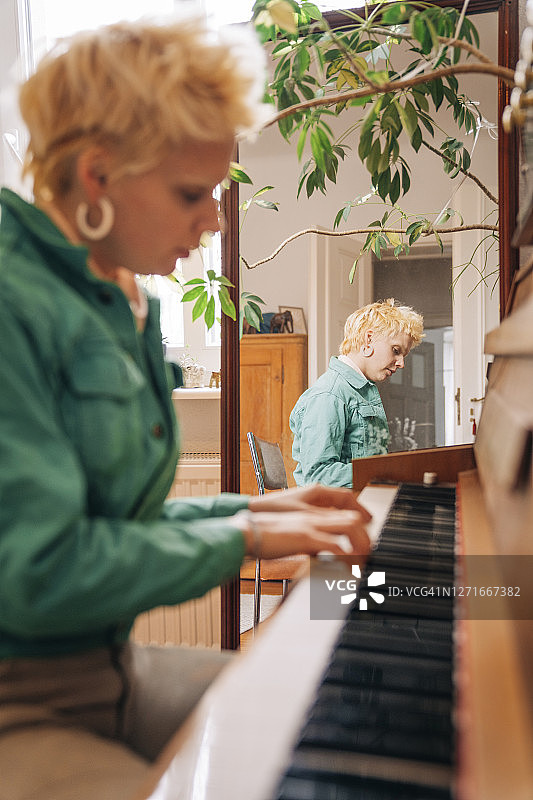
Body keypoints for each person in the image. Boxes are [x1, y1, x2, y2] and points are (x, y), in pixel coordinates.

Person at [0, 17, 372, 800]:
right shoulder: (13, 299)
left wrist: (257, 511)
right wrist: (246, 536)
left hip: (109, 671)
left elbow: (115, 528)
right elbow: (39, 570)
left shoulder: (119, 296)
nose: (213, 220)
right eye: (190, 194)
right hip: (21, 704)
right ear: (97, 176)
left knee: (332, 721)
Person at [289, 299, 424, 488]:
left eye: (403, 355)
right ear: (368, 340)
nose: (401, 363)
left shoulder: (360, 391)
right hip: (337, 504)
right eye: (396, 351)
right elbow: (318, 475)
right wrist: (388, 471)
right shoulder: (330, 395)